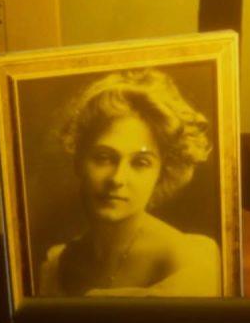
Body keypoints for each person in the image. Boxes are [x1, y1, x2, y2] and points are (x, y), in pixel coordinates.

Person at [36, 68, 221, 297]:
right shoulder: (58, 264)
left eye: (141, 162)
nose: (117, 178)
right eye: (103, 158)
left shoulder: (186, 263)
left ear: (162, 171)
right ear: (79, 160)